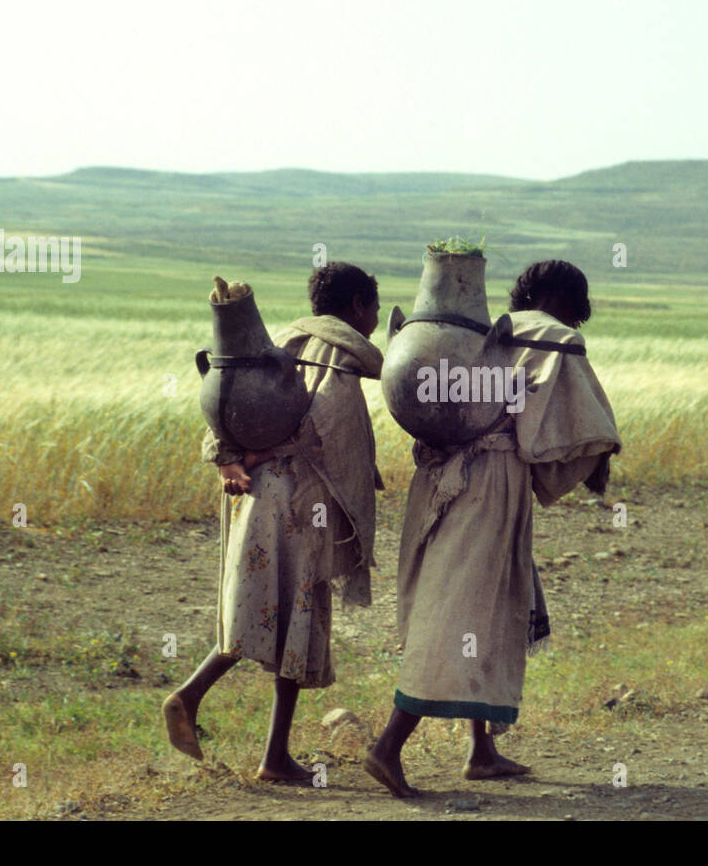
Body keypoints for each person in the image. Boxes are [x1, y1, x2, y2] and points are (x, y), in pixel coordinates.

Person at [365, 259, 620, 796]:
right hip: (492, 484)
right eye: (578, 305)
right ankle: (387, 747)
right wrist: (592, 463)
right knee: (460, 608)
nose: (579, 316)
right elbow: (586, 427)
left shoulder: (480, 333)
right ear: (564, 298)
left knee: (479, 603)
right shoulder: (555, 338)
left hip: (438, 479)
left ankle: (482, 750)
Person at [162, 262, 383, 781]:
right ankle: (188, 697)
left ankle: (274, 757)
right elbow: (327, 429)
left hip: (263, 495)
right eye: (373, 307)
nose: (374, 319)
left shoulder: (277, 338)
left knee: (282, 618)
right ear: (357, 307)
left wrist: (234, 458)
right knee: (283, 614)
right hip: (301, 501)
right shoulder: (338, 351)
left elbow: (221, 409)